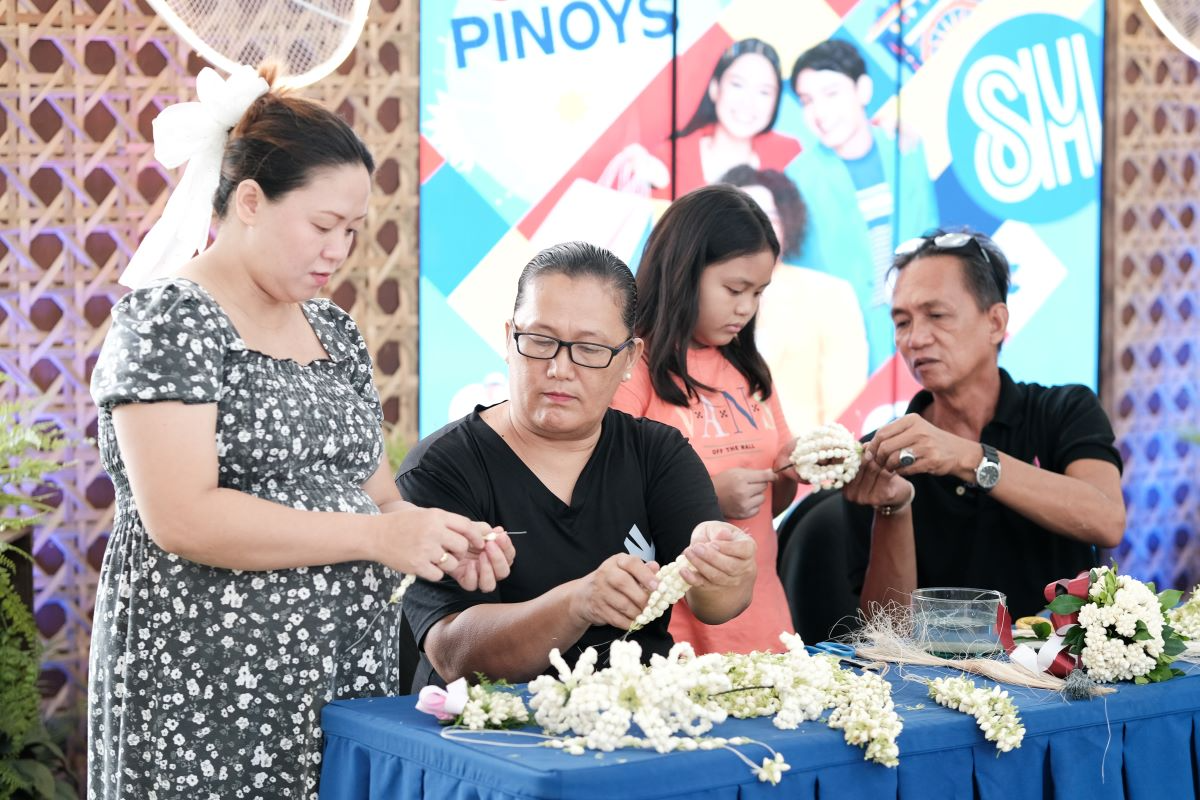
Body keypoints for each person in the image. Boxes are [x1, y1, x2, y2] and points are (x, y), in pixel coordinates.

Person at [88, 65, 514, 799]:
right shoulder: (169, 319)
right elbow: (182, 517)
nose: (338, 251)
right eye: (322, 226)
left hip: (340, 677)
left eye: (351, 231)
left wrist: (439, 538)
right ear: (250, 201)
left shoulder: (335, 332)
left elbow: (378, 498)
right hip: (206, 685)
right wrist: (376, 538)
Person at [399, 242, 757, 688]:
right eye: (540, 341)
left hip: (638, 712)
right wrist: (576, 604)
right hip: (487, 722)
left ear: (628, 359)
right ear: (509, 339)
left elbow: (715, 605)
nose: (560, 368)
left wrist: (731, 571)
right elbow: (453, 653)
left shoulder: (657, 454)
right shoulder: (439, 469)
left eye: (589, 349)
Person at [842, 229, 1125, 619]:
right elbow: (887, 627)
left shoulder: (1062, 409)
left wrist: (971, 459)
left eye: (936, 315)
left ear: (995, 322)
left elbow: (1107, 520)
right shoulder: (885, 450)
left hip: (1057, 655)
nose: (915, 339)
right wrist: (894, 508)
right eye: (902, 322)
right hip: (937, 659)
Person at [611, 185, 798, 655]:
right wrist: (708, 497)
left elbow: (770, 502)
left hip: (762, 626)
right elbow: (607, 504)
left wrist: (795, 469)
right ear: (682, 271)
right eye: (734, 289)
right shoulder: (633, 367)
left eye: (758, 293)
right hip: (672, 637)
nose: (746, 308)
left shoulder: (750, 368)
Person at [787, 39, 940, 372]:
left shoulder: (906, 149)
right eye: (807, 101)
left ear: (863, 90)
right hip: (841, 349)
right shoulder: (798, 179)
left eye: (831, 93)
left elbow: (929, 235)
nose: (820, 113)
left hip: (916, 331)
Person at [720, 165, 868, 431]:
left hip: (803, 451)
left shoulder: (829, 295)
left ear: (787, 222)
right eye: (743, 220)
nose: (755, 230)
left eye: (768, 218)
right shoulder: (700, 298)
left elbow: (846, 404)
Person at [602, 38, 802, 199]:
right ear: (715, 88)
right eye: (737, 85)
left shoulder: (790, 156)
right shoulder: (668, 159)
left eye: (764, 92)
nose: (748, 102)